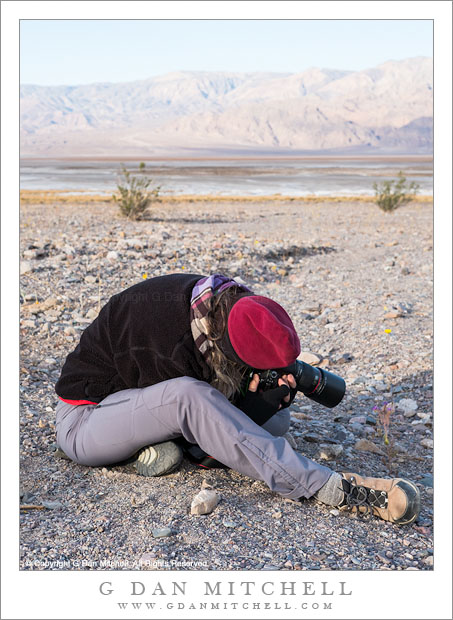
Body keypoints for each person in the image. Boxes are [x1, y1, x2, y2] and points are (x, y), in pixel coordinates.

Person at [55, 273, 420, 525]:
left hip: (140, 405)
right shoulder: (166, 340)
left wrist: (266, 398)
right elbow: (206, 446)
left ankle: (146, 454)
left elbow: (219, 430)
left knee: (276, 421)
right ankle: (326, 486)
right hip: (85, 419)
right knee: (190, 397)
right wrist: (249, 405)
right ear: (227, 350)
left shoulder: (222, 306)